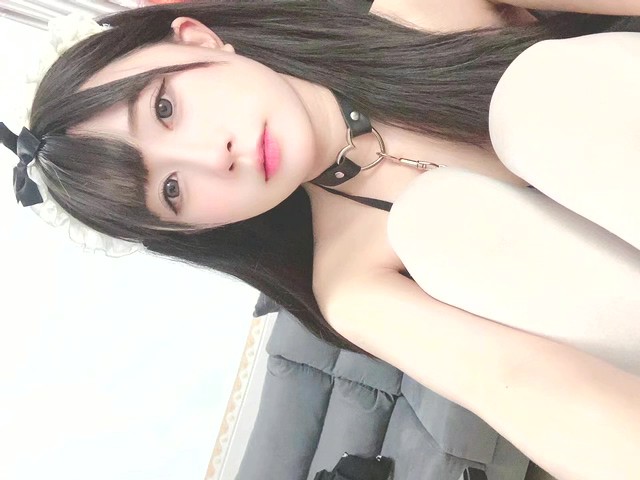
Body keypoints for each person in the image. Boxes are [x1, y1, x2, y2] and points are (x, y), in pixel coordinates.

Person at [2, 1, 640, 479]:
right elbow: (524, 385)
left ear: (197, 37)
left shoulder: (424, 10)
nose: (212, 156)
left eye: (166, 108)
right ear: (195, 228)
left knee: (533, 95)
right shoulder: (353, 282)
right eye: (172, 190)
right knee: (439, 224)